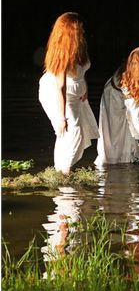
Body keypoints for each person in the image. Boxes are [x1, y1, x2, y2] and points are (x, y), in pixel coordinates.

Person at [38, 12, 99, 174]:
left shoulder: (79, 46)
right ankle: (65, 172)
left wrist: (84, 87)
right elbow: (60, 87)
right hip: (55, 93)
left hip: (75, 94)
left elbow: (82, 71)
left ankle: (62, 170)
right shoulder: (62, 51)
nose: (83, 30)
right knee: (72, 130)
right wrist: (60, 117)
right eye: (79, 28)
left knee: (74, 132)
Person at [95, 46, 139, 165]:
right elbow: (133, 115)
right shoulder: (129, 80)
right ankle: (113, 163)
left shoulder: (135, 72)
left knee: (127, 132)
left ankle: (127, 159)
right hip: (112, 98)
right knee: (114, 135)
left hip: (121, 97)